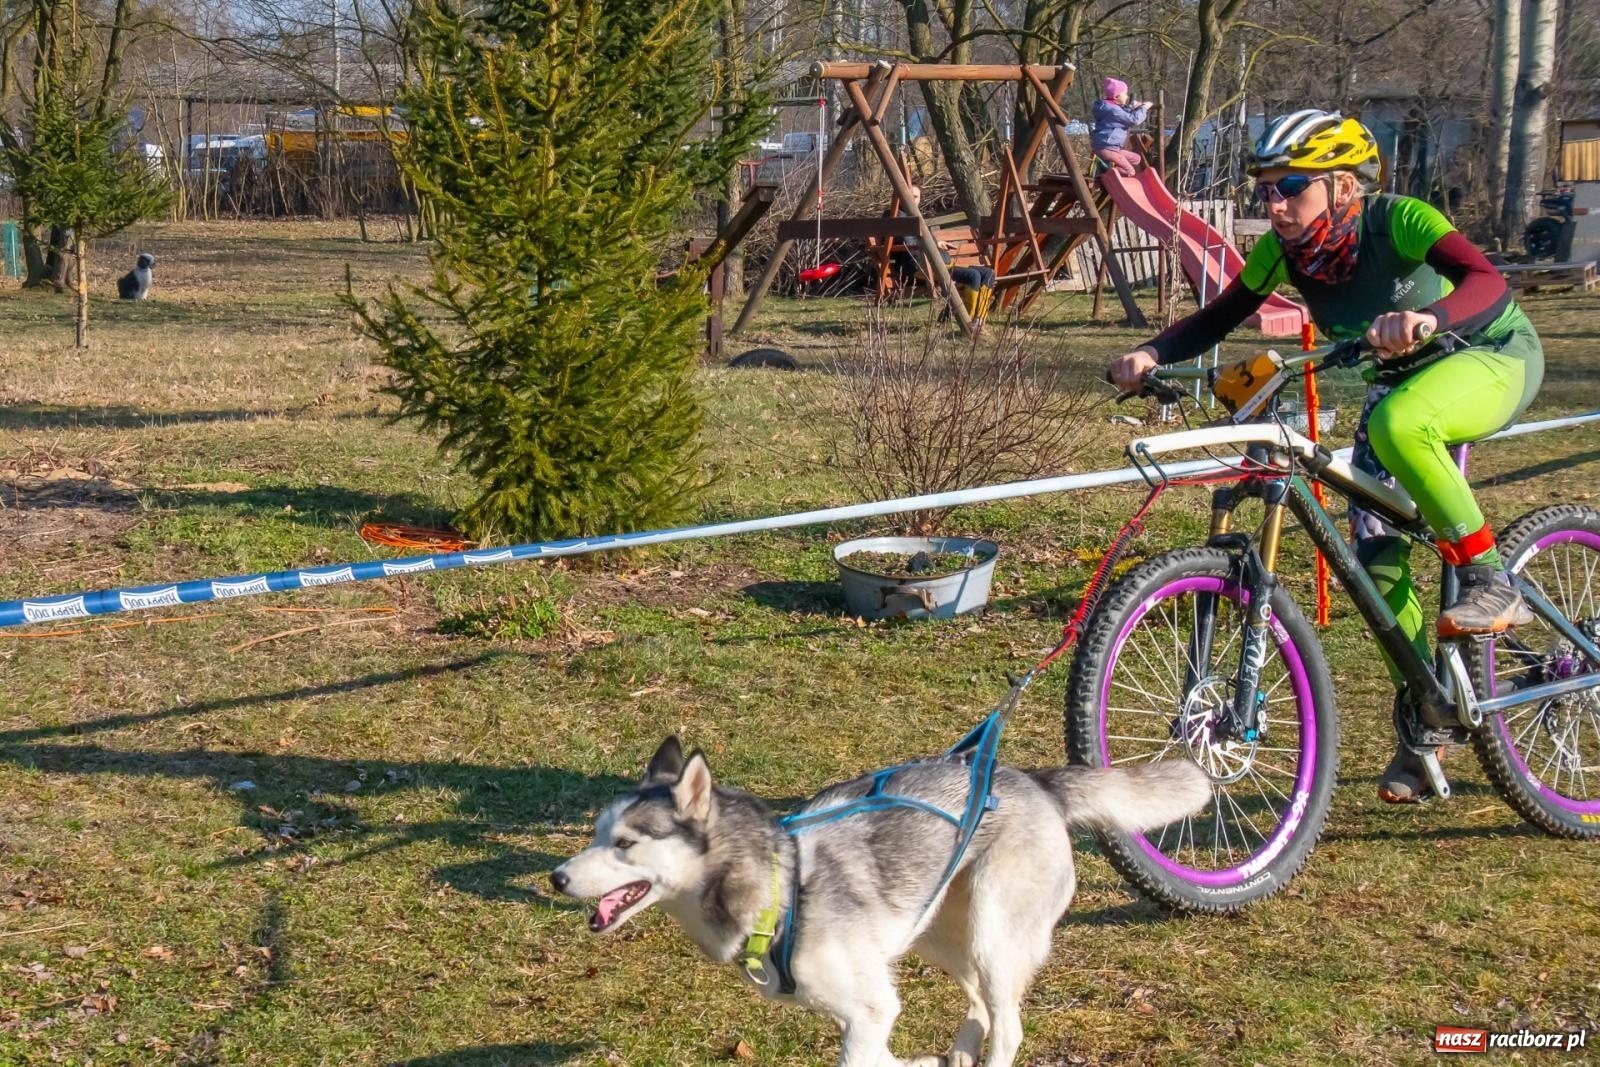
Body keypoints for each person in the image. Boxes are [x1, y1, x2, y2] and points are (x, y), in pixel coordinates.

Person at [1106, 109, 1544, 804]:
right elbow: (1220, 314)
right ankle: (1427, 713)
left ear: (1342, 186)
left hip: (1488, 354)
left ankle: (1493, 577)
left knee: (1402, 422)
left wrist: (1427, 317)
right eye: (1267, 190)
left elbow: (1486, 281)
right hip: (1399, 386)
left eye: (1291, 187)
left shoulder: (1398, 219)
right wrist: (1151, 353)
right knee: (1374, 563)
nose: (1274, 204)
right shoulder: (1286, 251)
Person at [892, 183, 997, 321]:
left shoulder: (914, 216)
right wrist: (934, 243)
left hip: (937, 263)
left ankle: (979, 321)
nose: (913, 200)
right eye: (910, 196)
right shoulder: (898, 217)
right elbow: (909, 244)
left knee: (988, 273)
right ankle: (966, 322)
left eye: (916, 197)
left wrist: (937, 242)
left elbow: (923, 239)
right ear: (901, 197)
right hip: (920, 266)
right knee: (973, 276)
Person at [1092, 78, 1152, 177]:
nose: (1127, 96)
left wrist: (1131, 107)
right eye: (1125, 93)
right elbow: (1133, 120)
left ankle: (1111, 171)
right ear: (1117, 96)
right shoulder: (1113, 110)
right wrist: (1144, 108)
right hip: (1107, 148)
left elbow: (1120, 116)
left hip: (1111, 147)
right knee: (1130, 172)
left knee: (1136, 159)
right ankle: (1108, 173)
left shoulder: (1108, 107)